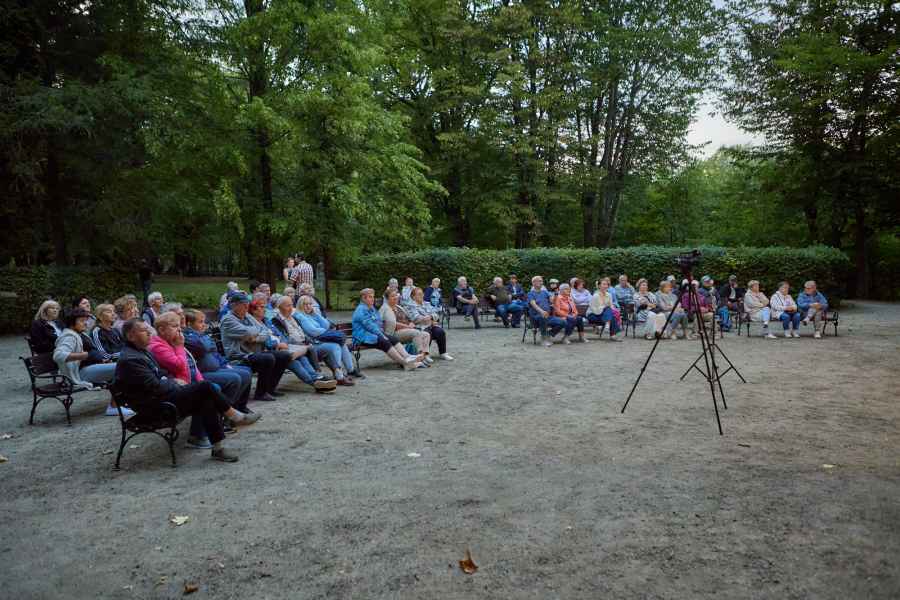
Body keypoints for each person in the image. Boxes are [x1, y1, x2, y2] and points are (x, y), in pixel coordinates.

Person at [115, 319, 260, 463]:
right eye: (143, 330)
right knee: (205, 387)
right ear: (131, 336)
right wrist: (174, 382)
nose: (149, 333)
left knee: (206, 397)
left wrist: (170, 380)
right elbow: (156, 386)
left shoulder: (140, 352)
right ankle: (234, 416)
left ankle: (218, 447)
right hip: (154, 408)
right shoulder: (131, 359)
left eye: (148, 329)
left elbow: (161, 374)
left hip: (160, 399)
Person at [53, 308, 131, 417]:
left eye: (86, 320)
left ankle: (123, 402)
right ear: (71, 323)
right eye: (81, 320)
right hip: (81, 373)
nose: (85, 323)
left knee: (127, 366)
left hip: (91, 367)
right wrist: (82, 355)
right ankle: (114, 407)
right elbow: (58, 355)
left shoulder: (80, 333)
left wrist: (101, 360)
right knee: (124, 366)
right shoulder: (69, 336)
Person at [249, 299, 336, 392]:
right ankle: (315, 383)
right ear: (254, 310)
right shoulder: (254, 323)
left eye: (265, 307)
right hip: (268, 350)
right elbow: (264, 340)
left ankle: (316, 378)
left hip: (283, 347)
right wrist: (277, 344)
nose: (265, 310)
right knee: (292, 361)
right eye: (262, 307)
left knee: (302, 358)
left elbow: (280, 334)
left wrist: (284, 343)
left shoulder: (266, 321)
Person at [220, 293, 292, 401]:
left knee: (284, 356)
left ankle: (269, 389)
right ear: (234, 306)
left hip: (254, 352)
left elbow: (265, 331)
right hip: (239, 356)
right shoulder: (228, 320)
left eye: (247, 304)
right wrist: (254, 333)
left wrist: (255, 338)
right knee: (267, 358)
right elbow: (247, 332)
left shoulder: (247, 316)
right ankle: (260, 393)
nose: (246, 307)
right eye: (243, 305)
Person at [183, 309, 253, 414]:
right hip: (203, 373)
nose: (204, 325)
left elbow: (214, 350)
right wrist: (206, 341)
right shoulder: (188, 336)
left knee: (246, 372)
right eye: (200, 322)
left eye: (204, 321)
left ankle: (237, 407)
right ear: (189, 324)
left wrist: (225, 364)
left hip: (216, 367)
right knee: (235, 378)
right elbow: (203, 347)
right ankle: (225, 411)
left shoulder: (202, 335)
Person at [288, 296, 361, 384]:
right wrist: (326, 331)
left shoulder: (311, 315)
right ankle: (339, 375)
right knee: (335, 346)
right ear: (300, 305)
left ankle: (350, 370)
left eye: (310, 304)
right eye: (305, 304)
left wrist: (316, 314)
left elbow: (326, 325)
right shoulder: (299, 315)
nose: (308, 306)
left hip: (320, 340)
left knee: (341, 343)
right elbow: (313, 331)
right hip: (312, 344)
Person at [352, 288, 423, 370]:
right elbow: (370, 326)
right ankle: (405, 363)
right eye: (370, 297)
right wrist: (381, 334)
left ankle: (408, 356)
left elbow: (378, 321)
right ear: (364, 298)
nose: (373, 299)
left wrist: (381, 332)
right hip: (362, 337)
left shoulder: (371, 308)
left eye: (373, 297)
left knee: (392, 339)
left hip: (373, 334)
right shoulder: (361, 310)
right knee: (384, 341)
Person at [380, 290, 432, 364]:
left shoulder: (398, 307)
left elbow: (409, 318)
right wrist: (407, 326)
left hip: (406, 329)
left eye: (396, 295)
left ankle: (424, 355)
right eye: (392, 296)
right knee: (416, 333)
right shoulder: (385, 308)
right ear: (387, 298)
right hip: (394, 332)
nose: (395, 297)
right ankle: (419, 357)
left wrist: (411, 323)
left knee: (426, 334)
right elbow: (392, 323)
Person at [406, 287, 453, 360]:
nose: (422, 296)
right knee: (427, 333)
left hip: (430, 325)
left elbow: (436, 315)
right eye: (419, 294)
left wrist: (430, 317)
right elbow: (416, 318)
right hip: (419, 327)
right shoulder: (411, 306)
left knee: (440, 332)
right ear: (413, 297)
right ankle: (425, 354)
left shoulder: (426, 303)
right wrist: (430, 319)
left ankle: (443, 353)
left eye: (422, 294)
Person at [527, 276, 566, 347]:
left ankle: (548, 334)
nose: (541, 282)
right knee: (543, 317)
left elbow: (552, 301)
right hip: (536, 317)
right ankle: (543, 339)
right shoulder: (530, 293)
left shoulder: (545, 292)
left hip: (548, 316)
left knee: (563, 322)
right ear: (534, 283)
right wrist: (542, 311)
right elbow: (533, 305)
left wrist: (556, 294)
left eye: (541, 281)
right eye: (539, 281)